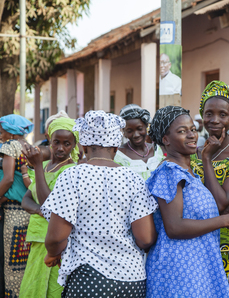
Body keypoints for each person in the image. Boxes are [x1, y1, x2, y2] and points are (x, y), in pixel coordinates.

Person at [41, 110, 157, 298]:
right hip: (132, 280)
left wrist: (52, 254)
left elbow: (56, 238)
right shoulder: (133, 179)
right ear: (116, 147)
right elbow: (145, 238)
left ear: (83, 145)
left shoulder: (73, 176)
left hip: (89, 278)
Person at [145, 106, 229, 297]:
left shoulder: (190, 174)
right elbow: (174, 227)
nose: (192, 135)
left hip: (197, 268)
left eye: (192, 129)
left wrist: (206, 157)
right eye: (182, 131)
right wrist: (224, 221)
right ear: (165, 140)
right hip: (178, 272)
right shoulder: (170, 172)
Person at [190, 81, 229, 297]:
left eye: (222, 114)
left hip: (224, 245)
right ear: (202, 115)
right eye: (209, 113)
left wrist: (207, 159)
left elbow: (221, 203)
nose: (215, 120)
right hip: (193, 239)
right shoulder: (191, 154)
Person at [19, 117, 79, 298]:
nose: (61, 148)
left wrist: (36, 165)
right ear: (49, 141)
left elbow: (48, 204)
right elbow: (26, 201)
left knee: (53, 289)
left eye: (67, 144)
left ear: (74, 145)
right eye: (56, 142)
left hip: (56, 241)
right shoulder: (45, 166)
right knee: (32, 287)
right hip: (37, 238)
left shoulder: (70, 171)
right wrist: (40, 211)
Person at [0, 114, 33, 297]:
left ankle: (13, 293)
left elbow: (8, 179)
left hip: (12, 212)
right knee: (24, 261)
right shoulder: (30, 147)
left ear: (11, 131)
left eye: (2, 129)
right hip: (28, 211)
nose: (0, 132)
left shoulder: (9, 146)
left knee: (11, 265)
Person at [115, 104, 164, 180]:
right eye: (129, 131)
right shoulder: (119, 156)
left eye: (139, 128)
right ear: (124, 132)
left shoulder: (157, 150)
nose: (136, 135)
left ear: (146, 126)